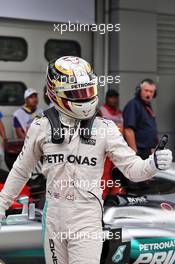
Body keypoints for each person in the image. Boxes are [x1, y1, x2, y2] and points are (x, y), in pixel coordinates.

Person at [0, 57, 172, 264]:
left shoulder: (105, 129)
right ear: (56, 92)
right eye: (78, 93)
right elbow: (20, 171)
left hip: (86, 216)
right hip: (54, 214)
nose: (85, 97)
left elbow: (133, 169)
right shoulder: (41, 126)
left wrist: (153, 163)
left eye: (88, 91)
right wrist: (1, 205)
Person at [123, 79, 158, 159]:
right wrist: (134, 152)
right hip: (138, 152)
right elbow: (128, 130)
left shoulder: (147, 106)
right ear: (139, 90)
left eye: (151, 91)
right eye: (146, 90)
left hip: (147, 151)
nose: (148, 94)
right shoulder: (133, 105)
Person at [99, 89, 124, 199]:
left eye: (115, 97)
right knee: (105, 174)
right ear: (106, 98)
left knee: (118, 174)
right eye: (111, 97)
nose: (113, 100)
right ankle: (102, 197)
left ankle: (116, 196)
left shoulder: (120, 113)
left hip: (119, 148)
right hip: (106, 149)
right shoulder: (101, 111)